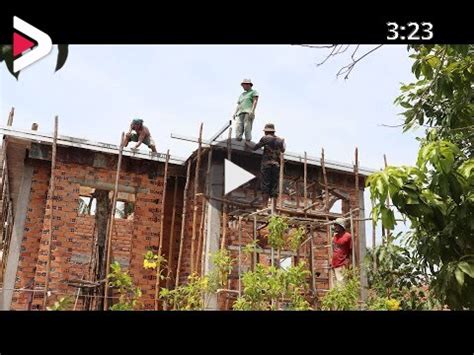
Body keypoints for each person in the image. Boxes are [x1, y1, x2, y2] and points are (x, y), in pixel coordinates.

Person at [245, 123, 285, 209]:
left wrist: (247, 144)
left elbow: (255, 147)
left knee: (266, 184)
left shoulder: (265, 138)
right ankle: (273, 207)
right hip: (276, 165)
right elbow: (283, 150)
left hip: (266, 164)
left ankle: (265, 206)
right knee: (274, 185)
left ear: (266, 131)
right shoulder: (280, 140)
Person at [331, 218, 352, 286]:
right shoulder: (335, 236)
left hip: (342, 264)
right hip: (334, 264)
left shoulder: (347, 236)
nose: (335, 227)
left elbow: (351, 250)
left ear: (341, 226)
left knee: (341, 285)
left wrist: (347, 261)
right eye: (335, 225)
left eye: (336, 225)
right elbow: (334, 249)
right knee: (334, 286)